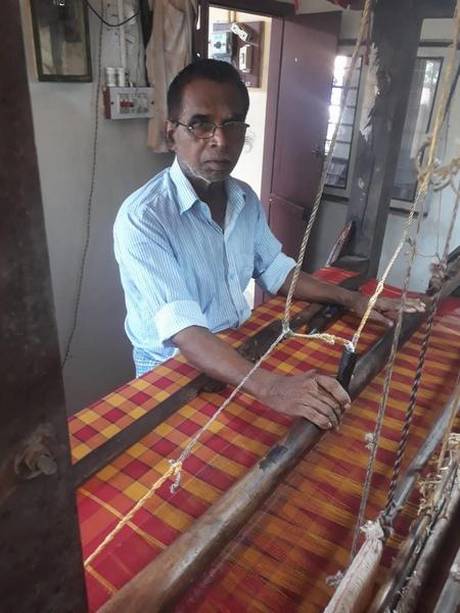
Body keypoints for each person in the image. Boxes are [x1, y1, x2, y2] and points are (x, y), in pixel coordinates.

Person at [114, 59, 423, 431]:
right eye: (200, 124)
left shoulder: (243, 199)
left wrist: (354, 300)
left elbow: (278, 273)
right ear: (171, 134)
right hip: (168, 378)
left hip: (235, 354)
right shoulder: (144, 218)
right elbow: (187, 333)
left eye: (232, 124)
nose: (220, 140)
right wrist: (271, 387)